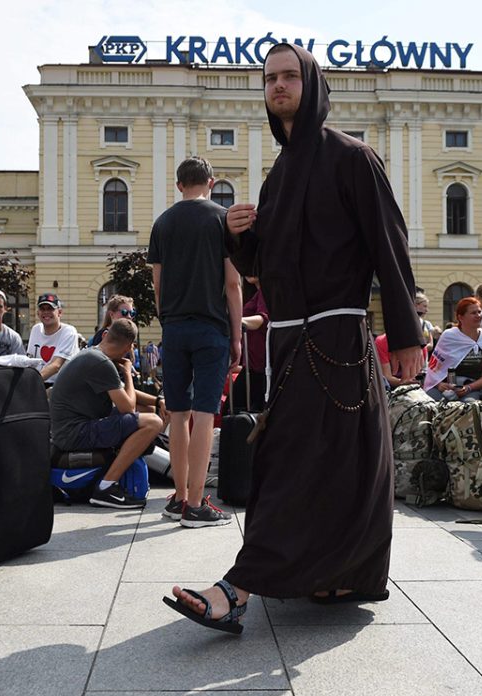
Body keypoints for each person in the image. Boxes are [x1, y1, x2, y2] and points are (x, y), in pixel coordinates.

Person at [164, 43, 424, 632]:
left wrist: (406, 333)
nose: (277, 85)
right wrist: (239, 240)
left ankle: (238, 588)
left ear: (311, 84)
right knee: (332, 464)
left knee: (289, 463)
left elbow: (391, 245)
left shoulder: (352, 157)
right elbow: (271, 271)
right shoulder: (279, 175)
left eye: (289, 76)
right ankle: (336, 576)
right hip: (288, 344)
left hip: (336, 339)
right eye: (270, 78)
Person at [148, 155, 243, 528]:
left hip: (174, 328)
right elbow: (232, 285)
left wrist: (167, 319)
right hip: (210, 327)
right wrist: (236, 335)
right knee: (205, 415)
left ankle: (179, 498)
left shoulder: (162, 222)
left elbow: (157, 283)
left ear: (178, 185)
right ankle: (198, 503)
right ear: (211, 182)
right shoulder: (221, 220)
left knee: (179, 413)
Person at [48, 318, 165, 510]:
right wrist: (128, 372)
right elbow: (127, 406)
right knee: (153, 423)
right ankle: (105, 487)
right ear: (129, 347)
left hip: (69, 428)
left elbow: (122, 393)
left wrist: (158, 401)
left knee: (149, 411)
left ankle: (120, 465)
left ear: (106, 335)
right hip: (74, 433)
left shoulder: (93, 354)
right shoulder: (101, 363)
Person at [422, 297, 482, 401]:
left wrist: (469, 388)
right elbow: (434, 367)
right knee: (430, 403)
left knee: (467, 407)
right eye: (473, 313)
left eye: (479, 312)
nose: (478, 316)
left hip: (473, 388)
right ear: (461, 317)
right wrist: (439, 384)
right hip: (445, 387)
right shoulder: (449, 336)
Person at [26, 292, 80, 386]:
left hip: (62, 385)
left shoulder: (69, 332)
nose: (46, 312)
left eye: (50, 309)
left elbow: (56, 365)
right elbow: (30, 361)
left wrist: (30, 383)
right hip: (39, 383)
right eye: (42, 309)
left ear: (59, 312)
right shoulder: (36, 329)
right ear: (38, 313)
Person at [234, 276, 269, 412]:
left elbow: (263, 319)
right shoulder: (254, 294)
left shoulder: (266, 291)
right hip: (252, 366)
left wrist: (236, 321)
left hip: (262, 367)